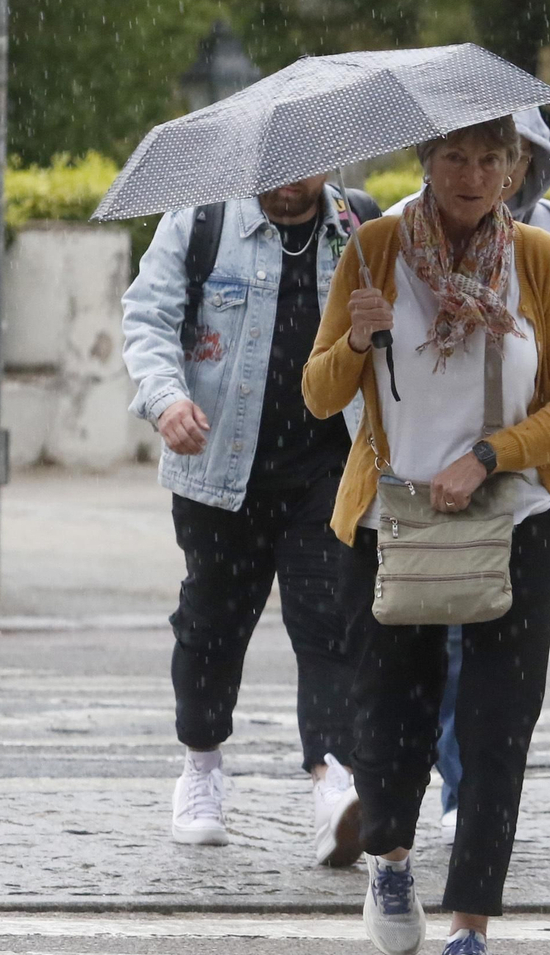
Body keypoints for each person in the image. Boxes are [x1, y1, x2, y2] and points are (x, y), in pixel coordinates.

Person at [304, 115, 550, 955]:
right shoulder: (373, 251)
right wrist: (356, 338)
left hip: (517, 522)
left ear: (514, 170)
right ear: (426, 164)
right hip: (390, 523)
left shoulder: (538, 259)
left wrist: (489, 456)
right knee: (388, 714)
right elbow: (319, 395)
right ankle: (391, 860)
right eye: (454, 158)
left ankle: (471, 922)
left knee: (497, 726)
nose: (472, 176)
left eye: (490, 160)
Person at [386, 109, 550, 843]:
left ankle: (467, 796)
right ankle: (407, 807)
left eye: (506, 156)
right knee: (430, 647)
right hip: (424, 480)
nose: (486, 174)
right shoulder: (399, 232)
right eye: (461, 157)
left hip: (517, 478)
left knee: (493, 651)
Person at [121, 174, 374, 867]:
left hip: (327, 469)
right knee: (212, 627)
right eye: (276, 168)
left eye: (305, 166)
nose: (290, 182)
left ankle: (333, 782)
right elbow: (148, 317)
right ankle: (201, 769)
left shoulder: (359, 225)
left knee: (331, 624)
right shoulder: (200, 221)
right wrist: (166, 400)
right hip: (217, 468)